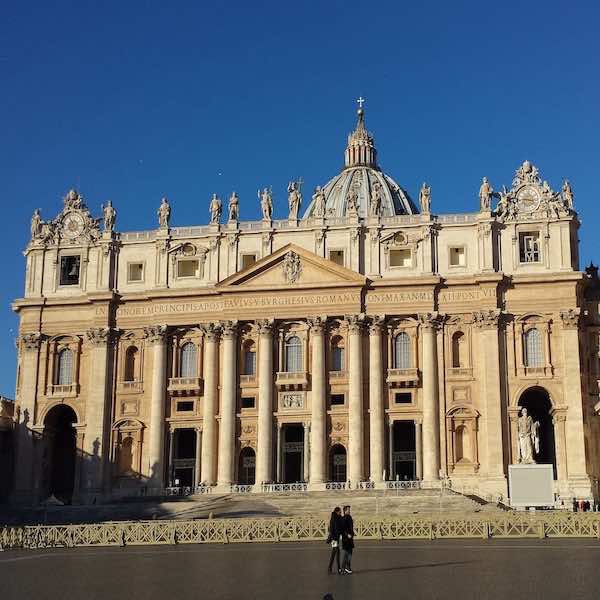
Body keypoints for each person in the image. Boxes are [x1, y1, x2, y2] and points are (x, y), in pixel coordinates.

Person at [326, 506, 343, 574]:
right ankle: (339, 568)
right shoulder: (334, 518)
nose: (340, 513)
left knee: (333, 553)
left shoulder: (337, 517)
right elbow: (334, 529)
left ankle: (329, 567)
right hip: (334, 538)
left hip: (336, 538)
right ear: (337, 511)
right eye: (340, 512)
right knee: (337, 552)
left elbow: (341, 522)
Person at [341, 505, 354, 574]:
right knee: (346, 553)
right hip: (346, 539)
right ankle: (344, 567)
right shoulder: (344, 518)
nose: (349, 510)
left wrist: (352, 534)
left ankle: (347, 567)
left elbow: (350, 527)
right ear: (345, 510)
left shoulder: (349, 517)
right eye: (348, 509)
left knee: (350, 553)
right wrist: (347, 534)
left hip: (350, 538)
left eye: (349, 509)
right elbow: (343, 529)